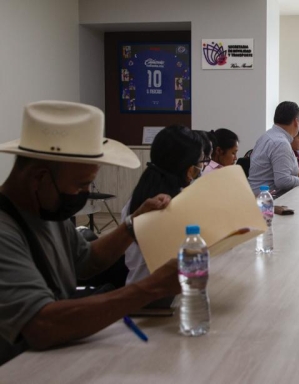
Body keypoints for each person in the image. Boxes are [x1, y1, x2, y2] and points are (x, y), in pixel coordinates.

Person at [0, 101, 179, 365]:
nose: (85, 194)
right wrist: (149, 289)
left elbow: (86, 261)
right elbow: (40, 324)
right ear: (39, 178)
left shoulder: (46, 210)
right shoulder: (6, 231)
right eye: (81, 185)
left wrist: (133, 225)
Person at [122, 125, 204, 284]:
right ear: (189, 171)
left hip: (135, 285)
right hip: (160, 296)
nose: (200, 169)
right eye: (200, 163)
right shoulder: (174, 204)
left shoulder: (140, 195)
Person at [248, 101, 299, 196]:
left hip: (256, 196)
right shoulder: (280, 143)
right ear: (296, 122)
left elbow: (286, 171)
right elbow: (283, 181)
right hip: (268, 200)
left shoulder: (267, 136)